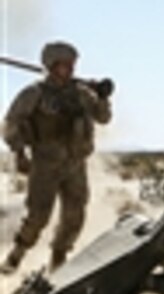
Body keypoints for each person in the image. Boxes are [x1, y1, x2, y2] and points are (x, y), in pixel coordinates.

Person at [2, 42, 111, 274]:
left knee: (75, 214)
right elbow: (11, 123)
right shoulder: (34, 94)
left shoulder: (82, 94)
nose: (70, 69)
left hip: (75, 163)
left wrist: (102, 97)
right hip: (45, 164)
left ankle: (58, 261)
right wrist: (19, 153)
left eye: (72, 65)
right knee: (38, 216)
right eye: (65, 65)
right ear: (52, 66)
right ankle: (15, 257)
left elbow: (103, 118)